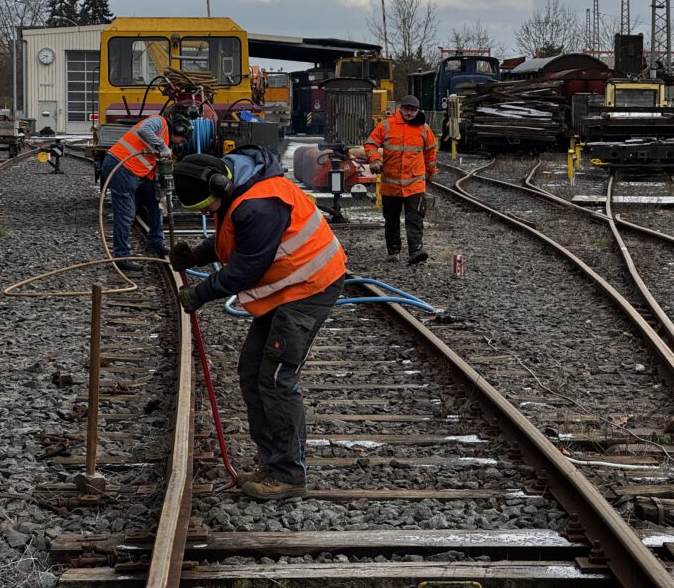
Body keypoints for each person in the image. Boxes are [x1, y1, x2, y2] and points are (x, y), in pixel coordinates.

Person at [169, 145, 347, 501]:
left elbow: (247, 267)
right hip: (287, 290)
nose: (206, 212)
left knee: (277, 379)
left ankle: (289, 476)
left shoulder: (259, 204)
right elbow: (231, 238)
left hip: (309, 287)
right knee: (252, 372)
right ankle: (272, 463)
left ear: (218, 185)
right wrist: (197, 255)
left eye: (205, 206)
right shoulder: (239, 187)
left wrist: (201, 293)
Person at [101, 113, 193, 271]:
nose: (179, 144)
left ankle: (155, 243)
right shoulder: (159, 122)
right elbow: (144, 130)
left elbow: (151, 164)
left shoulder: (165, 143)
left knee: (155, 204)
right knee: (126, 212)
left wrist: (161, 191)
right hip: (121, 166)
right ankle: (121, 256)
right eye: (182, 140)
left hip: (138, 172)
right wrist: (162, 147)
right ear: (179, 130)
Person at [364, 94, 437, 264]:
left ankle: (416, 251)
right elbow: (370, 144)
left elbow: (431, 152)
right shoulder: (387, 126)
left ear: (418, 111)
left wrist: (430, 172)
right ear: (401, 108)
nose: (410, 113)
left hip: (414, 184)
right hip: (391, 184)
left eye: (413, 110)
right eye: (407, 109)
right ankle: (393, 250)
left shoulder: (424, 129)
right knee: (391, 219)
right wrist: (374, 159)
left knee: (415, 219)